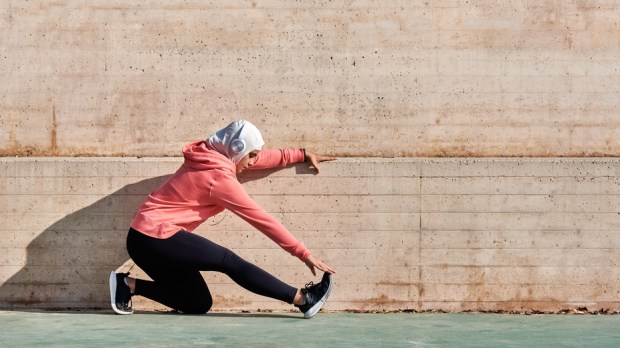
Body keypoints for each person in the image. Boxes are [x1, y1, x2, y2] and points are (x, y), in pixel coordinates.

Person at [109, 119, 336, 319]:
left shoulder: (211, 155)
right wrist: (302, 253)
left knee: (197, 302)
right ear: (236, 149)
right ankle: (302, 299)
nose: (251, 163)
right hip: (156, 237)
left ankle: (127, 285)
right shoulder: (219, 179)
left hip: (143, 240)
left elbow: (258, 158)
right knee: (228, 261)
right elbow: (261, 219)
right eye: (251, 156)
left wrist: (302, 154)